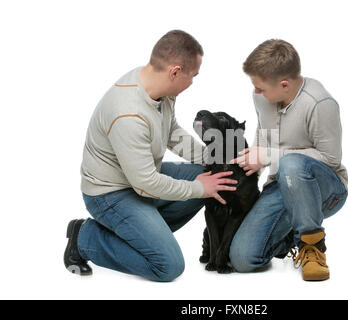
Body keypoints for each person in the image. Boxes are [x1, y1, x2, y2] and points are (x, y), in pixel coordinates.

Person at [64, 30, 238, 282]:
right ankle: (85, 238)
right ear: (175, 72)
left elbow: (171, 131)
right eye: (193, 76)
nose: (192, 83)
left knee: (212, 177)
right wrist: (198, 189)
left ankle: (140, 234)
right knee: (168, 266)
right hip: (110, 194)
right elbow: (145, 185)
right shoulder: (128, 114)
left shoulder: (158, 86)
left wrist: (215, 160)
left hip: (139, 177)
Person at [229, 39, 348, 281]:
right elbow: (264, 137)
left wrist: (268, 157)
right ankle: (289, 236)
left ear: (284, 84)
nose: (256, 93)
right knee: (242, 259)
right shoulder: (262, 97)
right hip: (281, 185)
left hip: (326, 188)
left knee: (291, 164)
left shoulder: (320, 104)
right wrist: (247, 173)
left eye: (260, 88)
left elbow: (331, 159)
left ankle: (311, 246)